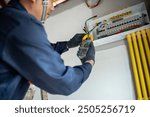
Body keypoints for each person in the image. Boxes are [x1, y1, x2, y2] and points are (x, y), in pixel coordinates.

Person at [0, 0, 95, 100]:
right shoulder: (22, 24)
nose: (53, 7)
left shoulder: (8, 18)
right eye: (51, 1)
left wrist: (67, 44)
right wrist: (89, 63)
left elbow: (38, 52)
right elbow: (63, 82)